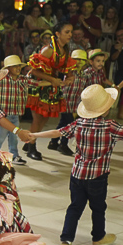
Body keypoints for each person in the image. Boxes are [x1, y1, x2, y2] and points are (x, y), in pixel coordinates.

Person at [30, 85, 123, 245]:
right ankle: (98, 237)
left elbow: (57, 132)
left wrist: (34, 135)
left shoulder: (78, 123)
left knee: (75, 207)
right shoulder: (109, 126)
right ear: (105, 109)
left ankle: (66, 240)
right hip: (98, 177)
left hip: (77, 174)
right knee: (98, 208)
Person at [26, 21, 78, 160]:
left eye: (71, 32)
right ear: (57, 34)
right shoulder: (48, 50)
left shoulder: (64, 50)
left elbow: (68, 69)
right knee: (38, 118)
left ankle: (29, 142)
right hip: (39, 85)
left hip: (50, 86)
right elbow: (34, 71)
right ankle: (31, 146)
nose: (70, 35)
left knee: (45, 117)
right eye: (67, 32)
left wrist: (70, 77)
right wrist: (52, 80)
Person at [57, 50, 109, 156]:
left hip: (75, 102)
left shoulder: (83, 74)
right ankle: (63, 144)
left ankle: (53, 142)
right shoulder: (69, 72)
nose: (79, 62)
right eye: (77, 59)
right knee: (69, 123)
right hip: (66, 101)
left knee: (64, 123)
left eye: (82, 60)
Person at [0, 55, 31, 165]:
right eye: (14, 66)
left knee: (14, 136)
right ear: (8, 68)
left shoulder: (22, 80)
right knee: (1, 137)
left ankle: (14, 155)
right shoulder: (1, 78)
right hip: (3, 116)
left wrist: (54, 82)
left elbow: (36, 83)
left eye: (19, 66)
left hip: (15, 114)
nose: (18, 68)